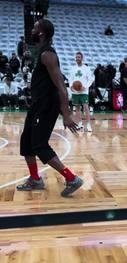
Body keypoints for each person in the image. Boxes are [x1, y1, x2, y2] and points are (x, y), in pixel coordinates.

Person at [16, 19, 83, 197]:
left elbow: (61, 86)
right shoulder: (41, 53)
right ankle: (35, 179)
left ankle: (71, 178)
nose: (32, 29)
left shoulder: (48, 54)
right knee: (26, 143)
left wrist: (66, 114)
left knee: (39, 145)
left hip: (46, 105)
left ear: (41, 33)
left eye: (35, 27)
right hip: (38, 104)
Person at [69, 51, 94, 132]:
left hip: (84, 92)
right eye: (76, 57)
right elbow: (70, 79)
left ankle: (89, 125)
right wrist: (71, 86)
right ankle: (80, 124)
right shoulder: (73, 68)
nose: (77, 59)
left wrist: (85, 87)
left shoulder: (86, 68)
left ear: (82, 58)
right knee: (77, 108)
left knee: (86, 108)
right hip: (75, 92)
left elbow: (91, 79)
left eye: (79, 57)